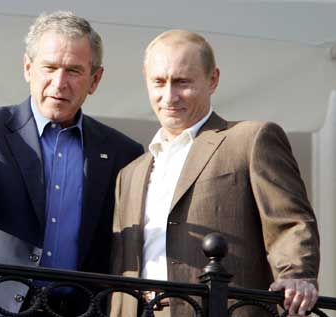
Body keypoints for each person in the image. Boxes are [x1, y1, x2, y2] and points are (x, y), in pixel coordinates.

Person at [0, 11, 144, 316]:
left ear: (95, 79)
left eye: (73, 70)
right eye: (50, 67)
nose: (59, 82)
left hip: (76, 309)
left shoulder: (121, 152)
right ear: (28, 68)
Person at [110, 29, 320, 317]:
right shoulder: (131, 173)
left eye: (182, 82)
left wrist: (297, 274)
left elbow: (289, 222)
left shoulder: (249, 139)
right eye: (158, 82)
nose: (169, 95)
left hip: (219, 308)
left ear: (213, 80)